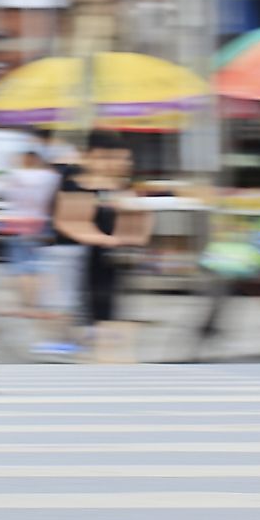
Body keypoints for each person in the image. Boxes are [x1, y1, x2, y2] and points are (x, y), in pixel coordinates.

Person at [50, 129, 153, 360]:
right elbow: (72, 221)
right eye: (112, 158)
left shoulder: (114, 184)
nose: (121, 164)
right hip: (74, 253)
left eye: (125, 159)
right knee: (77, 304)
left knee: (103, 306)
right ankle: (75, 344)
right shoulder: (74, 180)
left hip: (104, 257)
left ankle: (92, 343)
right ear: (92, 155)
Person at [2, 147, 61, 318]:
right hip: (40, 221)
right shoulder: (50, 177)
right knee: (36, 265)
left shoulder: (14, 175)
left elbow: (6, 195)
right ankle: (36, 304)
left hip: (16, 222)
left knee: (21, 266)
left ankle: (26, 304)